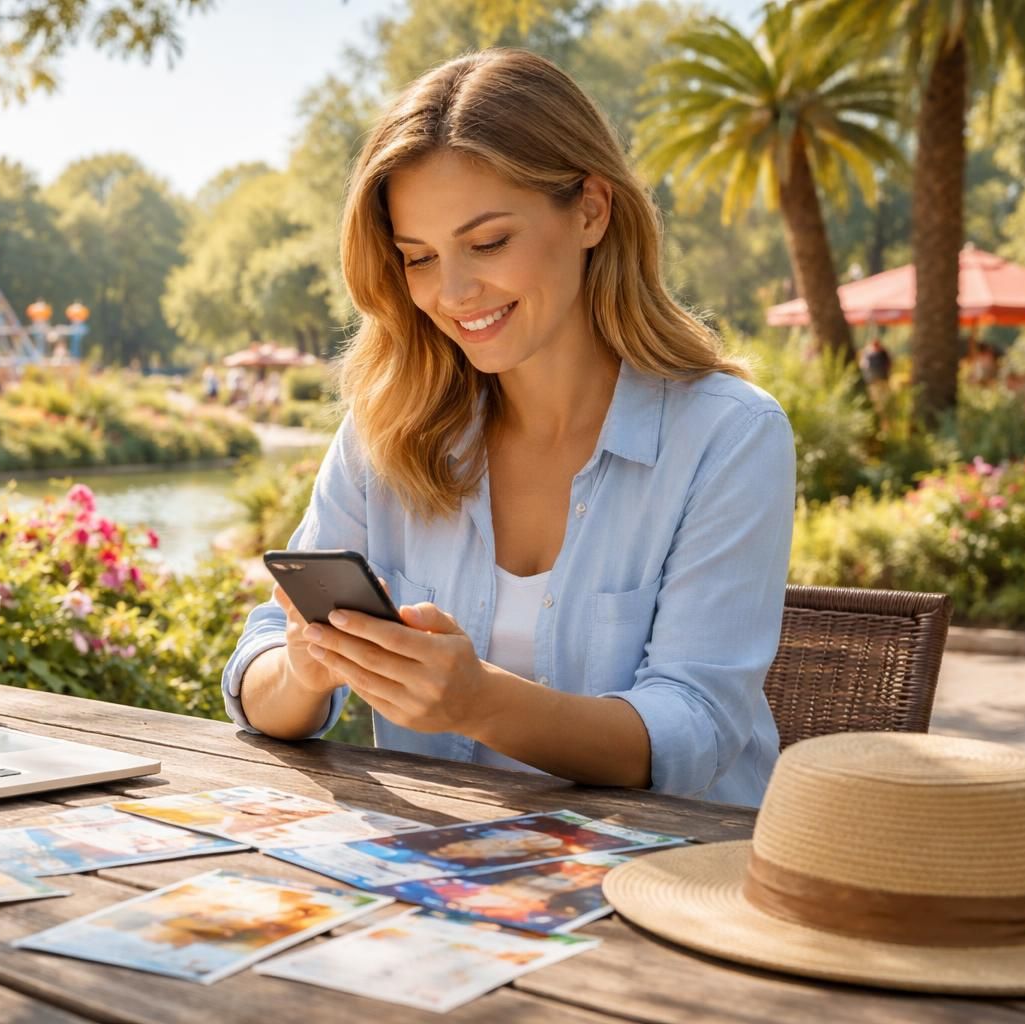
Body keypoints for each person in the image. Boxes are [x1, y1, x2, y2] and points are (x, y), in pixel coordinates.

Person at [220, 49, 795, 807]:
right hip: (447, 880)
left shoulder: (729, 437)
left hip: (672, 881)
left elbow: (695, 729)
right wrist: (305, 670)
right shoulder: (389, 426)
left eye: (488, 243)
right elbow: (258, 668)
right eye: (418, 257)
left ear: (591, 209)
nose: (452, 292)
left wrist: (479, 703)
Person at [859, 336, 892, 406]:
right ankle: (881, 408)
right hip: (874, 380)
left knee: (883, 396)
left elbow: (863, 365)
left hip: (880, 379)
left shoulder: (882, 353)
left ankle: (884, 407)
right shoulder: (869, 354)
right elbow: (863, 365)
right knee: (876, 396)